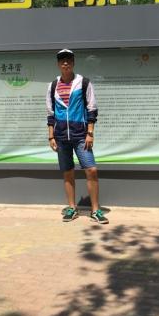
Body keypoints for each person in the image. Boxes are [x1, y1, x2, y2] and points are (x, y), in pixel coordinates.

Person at [46, 49, 108, 224]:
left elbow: (92, 109)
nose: (65, 63)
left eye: (68, 60)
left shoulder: (83, 83)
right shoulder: (53, 85)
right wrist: (51, 137)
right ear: (58, 64)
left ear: (73, 63)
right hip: (61, 136)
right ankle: (72, 208)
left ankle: (95, 210)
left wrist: (90, 133)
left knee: (91, 170)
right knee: (68, 172)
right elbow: (50, 113)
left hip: (81, 135)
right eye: (62, 61)